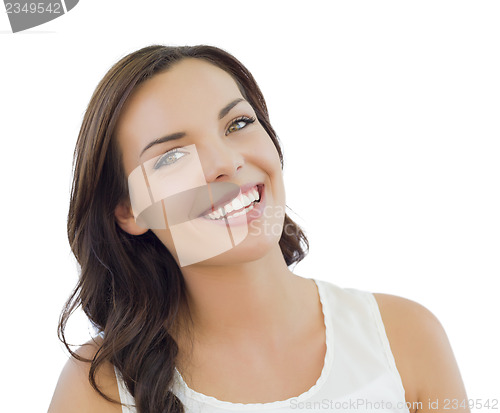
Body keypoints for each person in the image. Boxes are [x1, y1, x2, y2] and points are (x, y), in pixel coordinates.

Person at [48, 45, 469, 413]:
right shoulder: (101, 390)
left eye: (237, 125)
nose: (226, 163)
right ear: (128, 210)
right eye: (172, 157)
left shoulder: (405, 337)